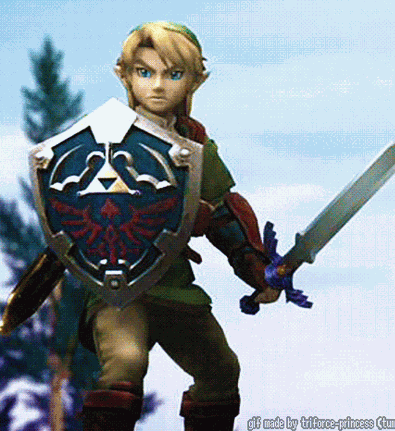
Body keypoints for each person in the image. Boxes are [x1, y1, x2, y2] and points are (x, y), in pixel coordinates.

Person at [79, 21, 286, 431]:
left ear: (194, 80)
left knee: (220, 371)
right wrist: (187, 214)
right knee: (125, 364)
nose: (158, 85)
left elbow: (224, 211)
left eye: (173, 74)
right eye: (145, 72)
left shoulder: (195, 144)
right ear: (125, 75)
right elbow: (94, 207)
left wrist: (255, 267)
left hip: (175, 286)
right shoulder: (101, 138)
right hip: (120, 287)